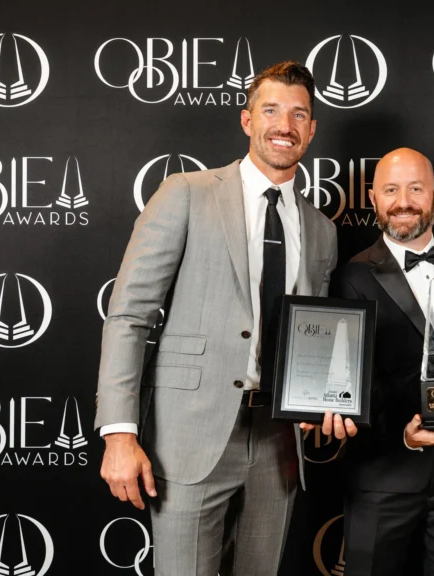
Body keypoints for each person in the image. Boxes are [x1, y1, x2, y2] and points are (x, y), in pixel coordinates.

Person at [94, 61, 340, 576]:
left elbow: (313, 335)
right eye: (271, 110)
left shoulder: (321, 228)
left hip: (279, 441)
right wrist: (119, 433)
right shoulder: (186, 192)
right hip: (189, 435)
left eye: (299, 114)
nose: (285, 125)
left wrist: (327, 399)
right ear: (247, 120)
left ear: (312, 129)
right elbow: (129, 315)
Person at [327, 148, 434, 576]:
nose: (403, 202)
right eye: (391, 190)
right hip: (383, 471)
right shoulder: (351, 275)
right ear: (373, 199)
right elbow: (351, 379)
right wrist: (404, 435)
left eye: (416, 189)